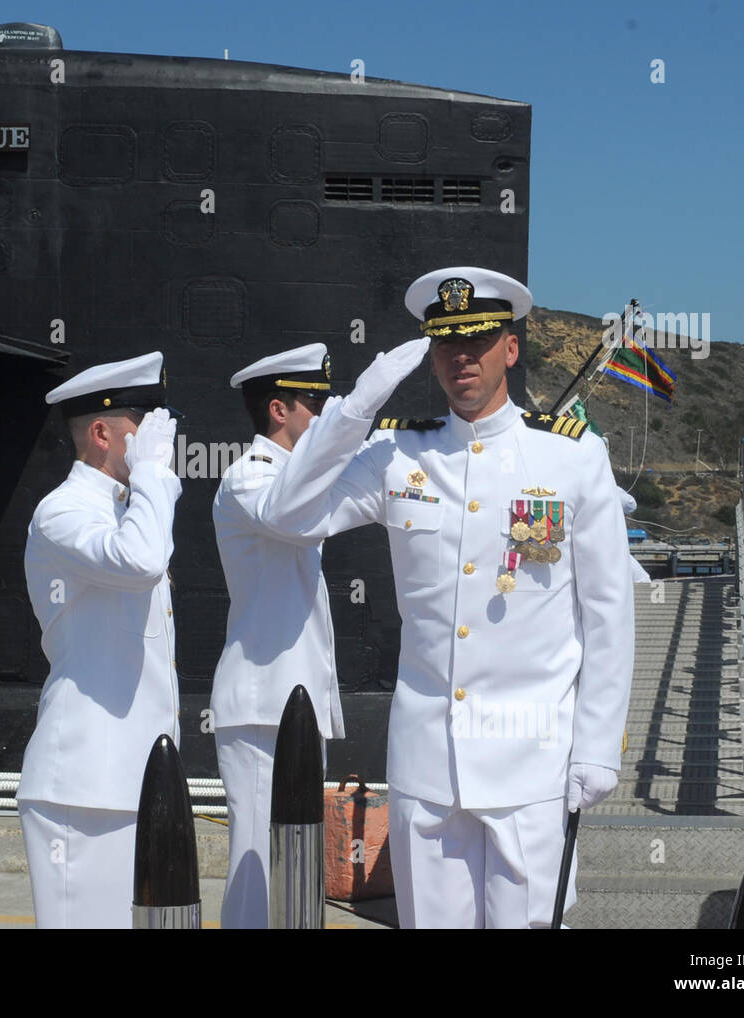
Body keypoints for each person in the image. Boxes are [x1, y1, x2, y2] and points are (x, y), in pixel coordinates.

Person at [259, 267, 634, 928]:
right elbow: (287, 516)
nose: (462, 358)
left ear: (510, 349)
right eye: (445, 344)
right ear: (430, 355)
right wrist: (352, 411)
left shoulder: (572, 459)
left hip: (532, 765)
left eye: (478, 341)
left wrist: (597, 746)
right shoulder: (399, 453)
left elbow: (607, 615)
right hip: (429, 766)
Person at [19, 351, 182, 928]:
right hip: (84, 783)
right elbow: (138, 562)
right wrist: (156, 477)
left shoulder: (131, 509)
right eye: (142, 430)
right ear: (100, 433)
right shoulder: (63, 511)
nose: (155, 446)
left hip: (135, 773)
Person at [210, 343, 354, 928]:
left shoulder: (292, 479)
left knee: (294, 866)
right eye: (312, 406)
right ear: (278, 410)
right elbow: (287, 518)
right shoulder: (252, 478)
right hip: (262, 701)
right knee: (256, 862)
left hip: (295, 702)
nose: (319, 418)